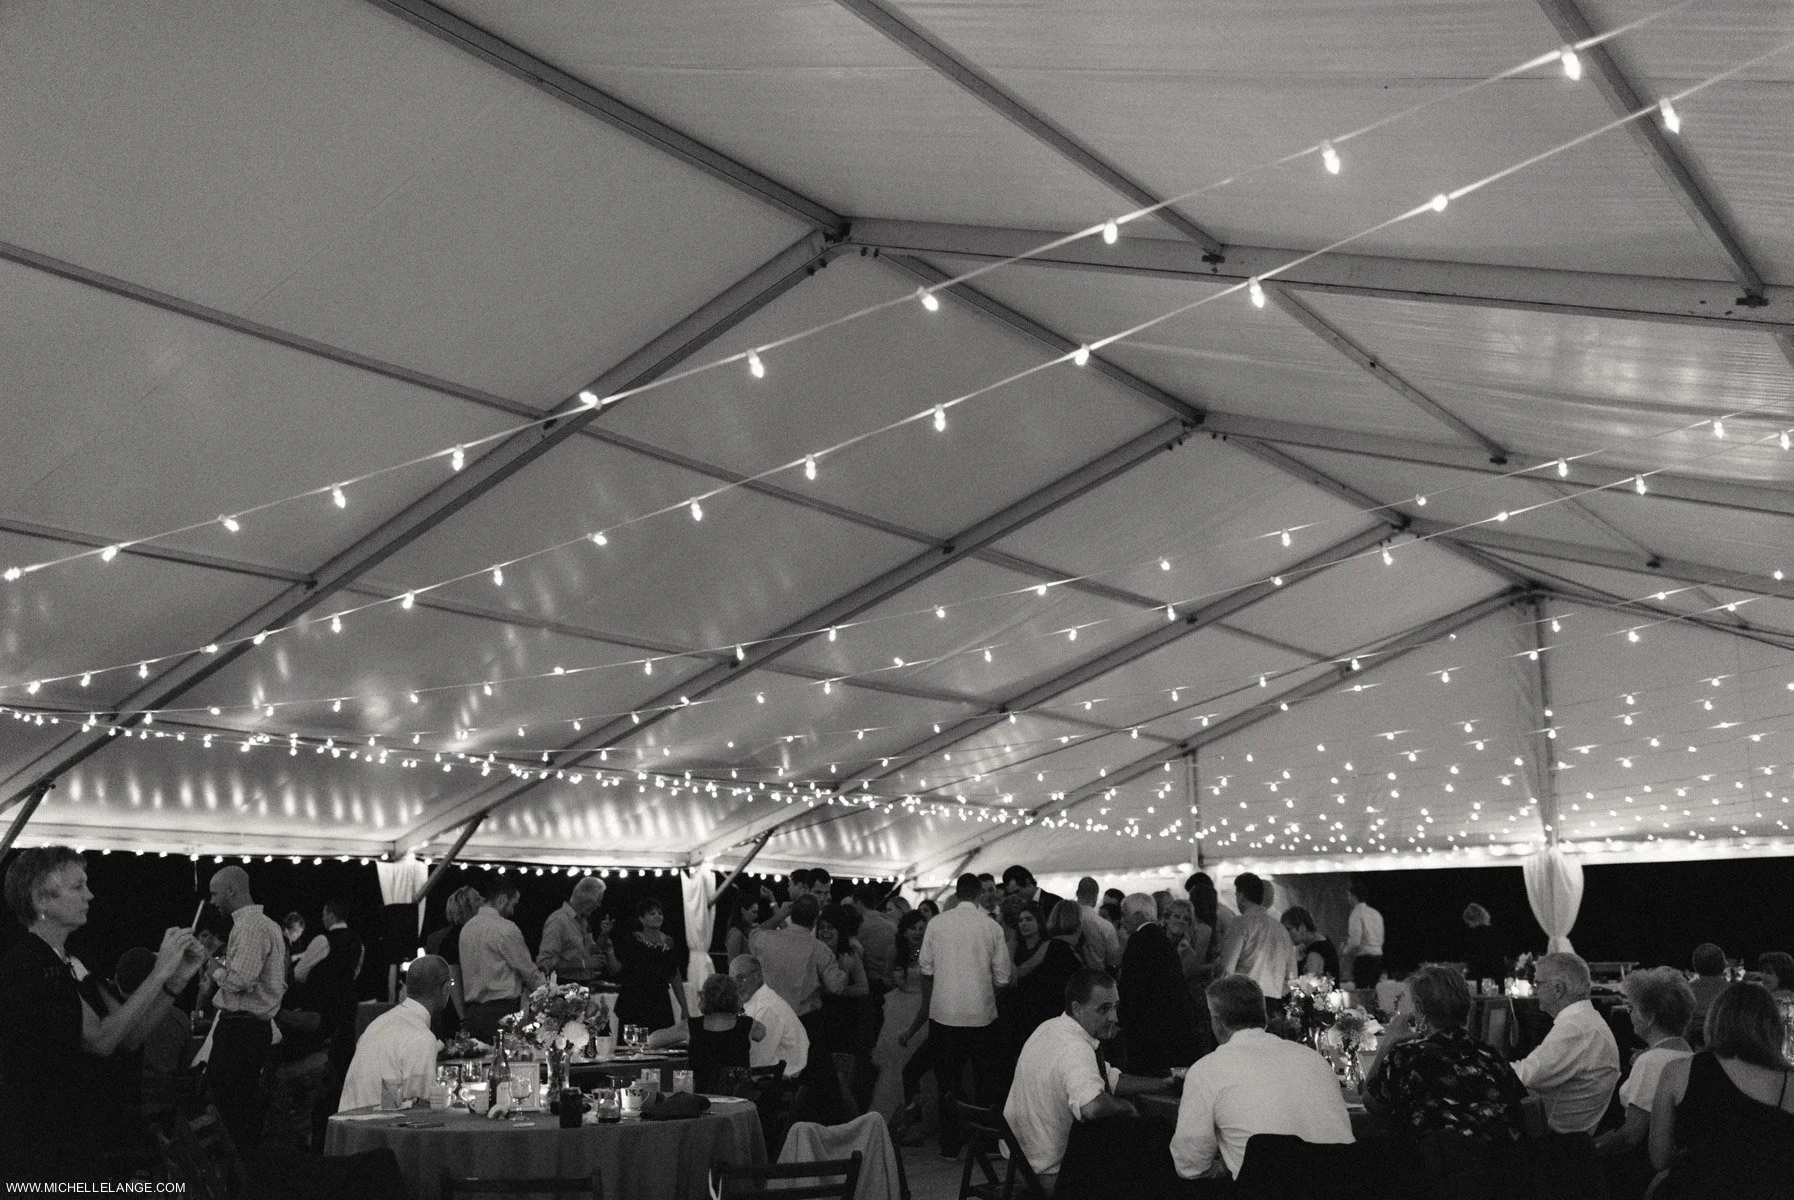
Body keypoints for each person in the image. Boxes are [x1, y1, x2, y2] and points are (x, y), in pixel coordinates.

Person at [0, 848, 205, 1181]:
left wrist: (177, 978)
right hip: (45, 1144)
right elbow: (101, 1041)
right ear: (42, 900)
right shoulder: (30, 965)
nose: (90, 895)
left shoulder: (69, 961)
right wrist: (158, 972)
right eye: (78, 887)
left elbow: (129, 1035)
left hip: (81, 1133)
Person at [1004, 969, 1179, 1188]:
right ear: (1077, 1009)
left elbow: (1108, 1078)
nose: (1114, 1017)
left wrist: (1163, 1084)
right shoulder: (1075, 1049)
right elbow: (1092, 1106)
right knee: (1155, 1144)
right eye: (1104, 1009)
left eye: (1115, 1007)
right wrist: (1125, 1106)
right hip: (1051, 1173)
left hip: (1018, 1163)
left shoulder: (1049, 1029)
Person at [1172, 974, 1353, 1185]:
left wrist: (1225, 1166)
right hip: (1340, 1184)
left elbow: (1190, 1165)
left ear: (1217, 1023)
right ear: (1264, 1017)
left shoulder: (1207, 1069)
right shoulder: (1314, 1059)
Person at [900, 873, 1011, 1158]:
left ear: (958, 893)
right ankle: (987, 1144)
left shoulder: (936, 924)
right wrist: (985, 992)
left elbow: (926, 968)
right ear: (976, 895)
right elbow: (1003, 977)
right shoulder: (991, 927)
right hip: (982, 1016)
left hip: (944, 1015)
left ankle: (950, 1145)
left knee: (947, 1081)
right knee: (986, 1081)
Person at [1648, 982, 1794, 1198]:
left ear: (1715, 1021)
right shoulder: (1789, 1081)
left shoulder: (1679, 1071)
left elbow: (1659, 1158)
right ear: (1773, 1027)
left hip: (1697, 1189)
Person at [1364, 966, 1525, 1144]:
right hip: (1504, 1165)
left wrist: (1389, 1041)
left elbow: (1371, 1103)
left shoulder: (1408, 1058)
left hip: (1437, 1167)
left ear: (1422, 1014)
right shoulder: (1490, 1055)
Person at [203, 864, 288, 1157]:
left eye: (215, 894)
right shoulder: (266, 925)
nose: (212, 901)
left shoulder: (250, 927)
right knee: (241, 1109)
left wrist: (210, 964)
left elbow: (240, 980)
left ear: (231, 890)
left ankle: (237, 1180)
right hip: (250, 1030)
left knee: (231, 1112)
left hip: (241, 1031)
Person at [1593, 967, 1694, 1169]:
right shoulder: (1688, 1053)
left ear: (1650, 1017)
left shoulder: (1652, 1061)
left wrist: (1588, 1150)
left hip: (1638, 1165)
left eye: (1632, 1008)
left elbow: (1630, 1137)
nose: (1630, 1015)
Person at [1514, 952, 1620, 1136]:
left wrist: (1485, 1066)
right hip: (1569, 1137)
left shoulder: (1575, 1028)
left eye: (1538, 983)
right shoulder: (1583, 1020)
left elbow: (1523, 1077)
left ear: (1557, 988)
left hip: (1555, 1144)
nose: (1535, 990)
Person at [337, 955, 451, 1110]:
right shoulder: (420, 1037)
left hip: (352, 1123)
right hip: (380, 1127)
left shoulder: (379, 1023)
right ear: (446, 989)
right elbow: (423, 1109)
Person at [1116, 892, 1200, 1073]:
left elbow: (1131, 989)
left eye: (1124, 914)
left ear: (1138, 915)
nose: (1121, 920)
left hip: (1153, 1032)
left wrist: (1121, 1021)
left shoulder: (1140, 939)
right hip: (1173, 1030)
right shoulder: (1158, 938)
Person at [750, 893, 846, 1044]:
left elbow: (754, 935)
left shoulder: (767, 938)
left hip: (768, 1017)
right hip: (804, 1021)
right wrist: (844, 969)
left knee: (768, 1062)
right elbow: (836, 986)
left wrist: (779, 915)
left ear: (791, 914)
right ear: (815, 920)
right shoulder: (819, 949)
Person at [646, 972, 764, 1093]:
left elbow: (652, 1041)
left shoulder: (691, 1025)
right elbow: (761, 1034)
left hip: (703, 1096)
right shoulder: (747, 1024)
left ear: (704, 998)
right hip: (738, 1096)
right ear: (736, 998)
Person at [459, 881, 541, 1041]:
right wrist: (550, 993)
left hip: (473, 1014)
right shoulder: (506, 928)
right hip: (502, 1013)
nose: (512, 911)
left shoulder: (467, 928)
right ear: (502, 899)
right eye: (512, 904)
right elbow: (528, 972)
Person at [881, 910, 933, 1136]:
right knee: (896, 1064)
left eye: (922, 928)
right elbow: (884, 977)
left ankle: (922, 1115)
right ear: (904, 931)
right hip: (899, 1007)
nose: (917, 932)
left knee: (921, 1067)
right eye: (913, 928)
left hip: (923, 1006)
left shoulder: (931, 951)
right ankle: (901, 1115)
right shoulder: (896, 951)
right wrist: (896, 980)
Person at [1215, 872, 1295, 1005]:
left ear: (1241, 896)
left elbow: (1227, 969)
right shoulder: (1281, 929)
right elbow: (1292, 976)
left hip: (1245, 1000)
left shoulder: (1240, 923)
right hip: (1274, 1002)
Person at [1012, 900, 1084, 1047]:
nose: (1023, 924)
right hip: (1056, 1018)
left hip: (1041, 1017)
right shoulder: (1061, 949)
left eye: (1028, 919)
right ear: (1077, 921)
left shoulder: (1051, 946)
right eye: (1021, 920)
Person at [308, 898, 363, 1086]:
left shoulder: (323, 940)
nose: (322, 918)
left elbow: (300, 972)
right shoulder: (357, 941)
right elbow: (356, 971)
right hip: (349, 1001)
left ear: (332, 915)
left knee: (325, 1051)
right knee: (346, 1047)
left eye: (324, 914)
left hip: (325, 1003)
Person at [616, 898, 689, 1035]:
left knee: (661, 1042)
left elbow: (675, 975)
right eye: (651, 913)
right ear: (642, 919)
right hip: (635, 1000)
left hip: (660, 1001)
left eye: (660, 913)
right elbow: (622, 970)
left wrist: (684, 1007)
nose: (657, 916)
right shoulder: (633, 941)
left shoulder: (668, 943)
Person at [730, 954, 808, 1078]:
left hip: (783, 1084)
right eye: (732, 980)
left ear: (757, 976)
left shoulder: (767, 1008)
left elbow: (757, 1062)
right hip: (768, 1075)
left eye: (741, 978)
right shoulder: (754, 1003)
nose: (736, 985)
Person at [424, 884, 483, 1038]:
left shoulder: (449, 936)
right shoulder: (455, 938)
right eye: (477, 899)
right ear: (466, 908)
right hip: (457, 1009)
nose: (483, 901)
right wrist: (463, 1019)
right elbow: (453, 978)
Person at [536, 877, 615, 984]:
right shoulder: (558, 921)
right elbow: (545, 963)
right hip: (563, 987)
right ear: (587, 899)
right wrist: (583, 964)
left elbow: (591, 953)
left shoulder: (582, 920)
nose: (599, 905)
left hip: (582, 985)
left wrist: (604, 935)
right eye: (598, 900)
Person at [847, 882, 898, 1001]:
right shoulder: (891, 923)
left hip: (871, 984)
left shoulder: (859, 926)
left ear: (858, 902)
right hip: (891, 983)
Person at [1343, 880, 1385, 988]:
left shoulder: (1356, 913)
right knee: (1374, 994)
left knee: (1362, 995)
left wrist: (1344, 950)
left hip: (1364, 960)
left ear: (1353, 896)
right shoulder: (1375, 913)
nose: (1348, 898)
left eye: (1349, 895)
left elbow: (1355, 941)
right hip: (1378, 959)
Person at [1074, 876, 1121, 971]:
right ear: (1096, 896)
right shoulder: (1106, 926)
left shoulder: (1065, 919)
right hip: (1098, 978)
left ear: (1077, 894)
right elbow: (1115, 960)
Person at [1686, 943, 1728, 1047]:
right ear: (1722, 964)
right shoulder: (1735, 991)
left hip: (1691, 1050)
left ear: (1695, 965)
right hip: (1726, 1050)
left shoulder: (1685, 992)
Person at [1280, 906, 1340, 979]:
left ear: (1302, 928)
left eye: (1288, 930)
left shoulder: (1314, 953)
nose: (1285, 935)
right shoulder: (1320, 943)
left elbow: (1308, 987)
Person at [1460, 903, 1504, 985]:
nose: (1469, 926)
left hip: (1479, 976)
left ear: (1473, 919)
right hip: (1496, 976)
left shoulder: (1475, 934)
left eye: (1469, 922)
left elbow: (1474, 958)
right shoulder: (1494, 933)